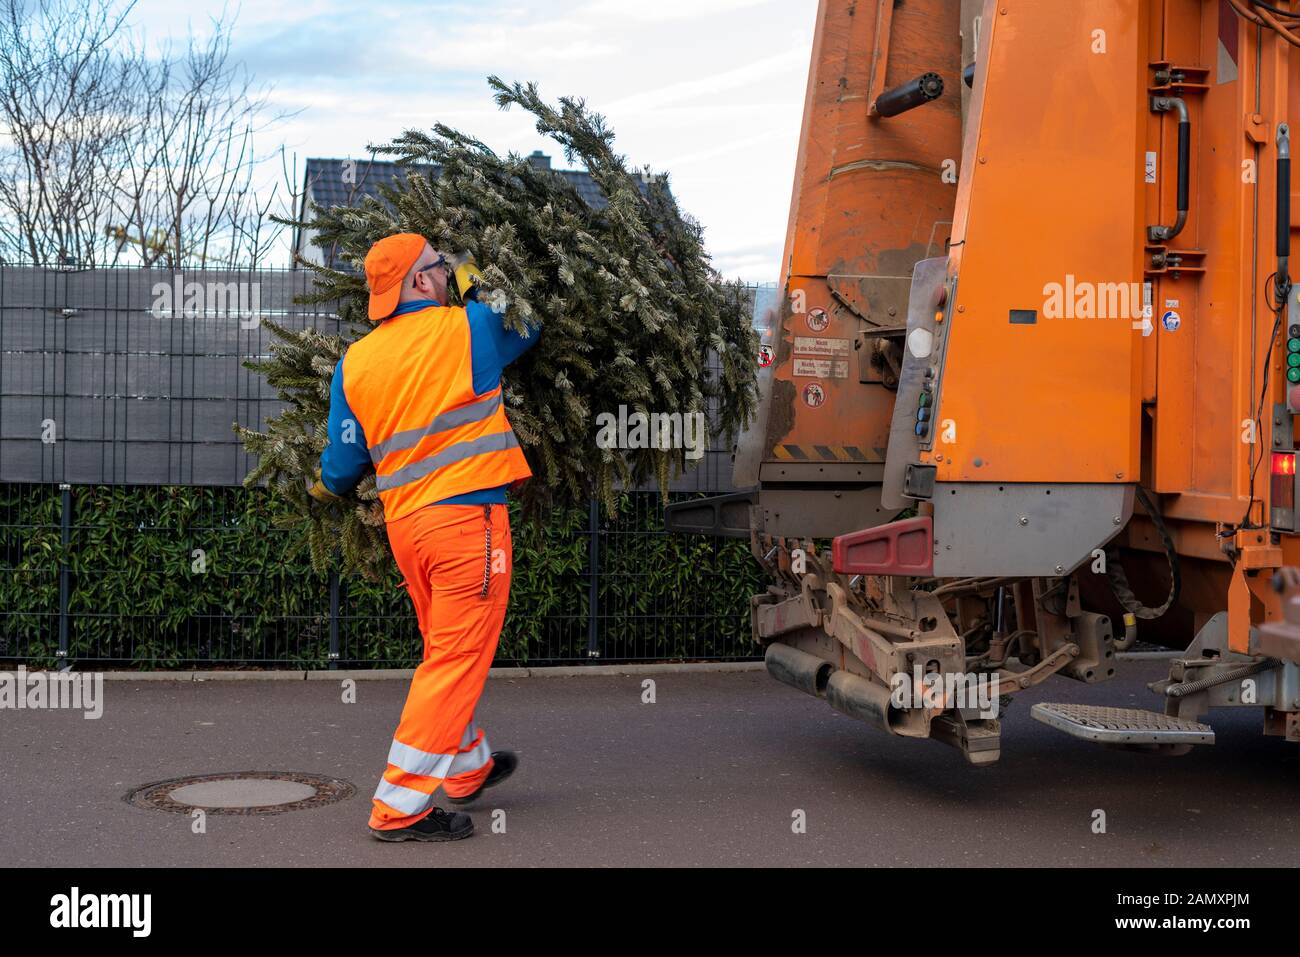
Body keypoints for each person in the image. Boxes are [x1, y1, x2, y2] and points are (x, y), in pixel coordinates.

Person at [310, 232, 539, 842]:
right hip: (469, 523)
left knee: (445, 650)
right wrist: (479, 285)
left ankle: (467, 770)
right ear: (419, 281)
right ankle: (398, 807)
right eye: (440, 268)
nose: (445, 276)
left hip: (408, 527)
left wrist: (323, 489)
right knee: (456, 660)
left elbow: (341, 465)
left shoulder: (354, 363)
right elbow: (531, 325)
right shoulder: (467, 329)